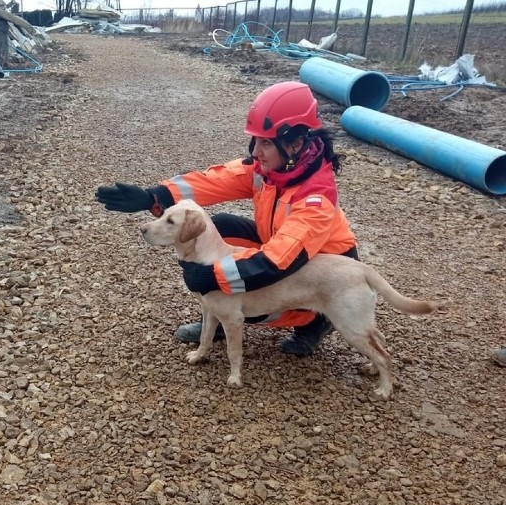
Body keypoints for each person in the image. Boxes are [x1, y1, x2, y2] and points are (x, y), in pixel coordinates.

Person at [96, 81, 359, 356]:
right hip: (284, 250)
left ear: (295, 143)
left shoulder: (316, 197)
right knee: (215, 231)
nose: (255, 151)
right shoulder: (270, 168)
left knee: (247, 297)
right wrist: (154, 197)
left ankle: (317, 319)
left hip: (323, 274)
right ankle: (220, 321)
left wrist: (213, 277)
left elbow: (278, 260)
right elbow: (215, 180)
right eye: (255, 140)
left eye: (266, 142)